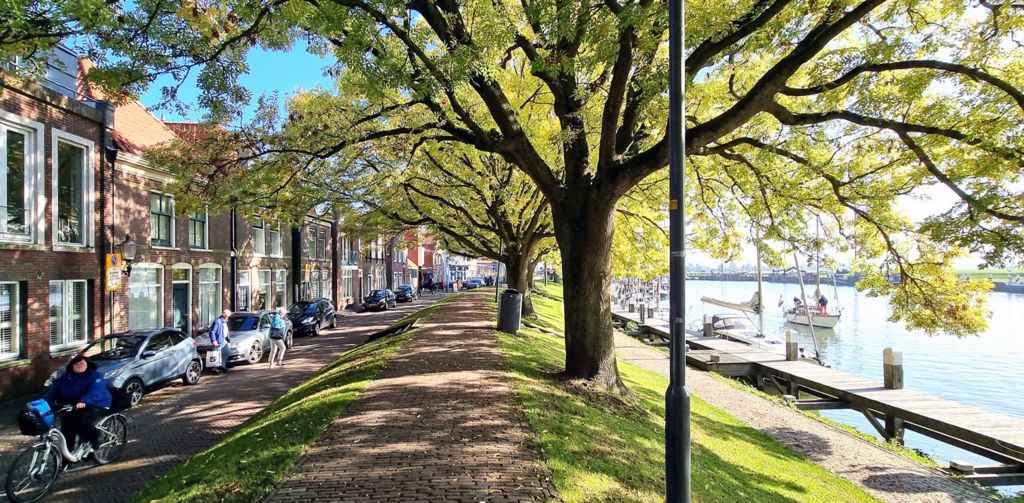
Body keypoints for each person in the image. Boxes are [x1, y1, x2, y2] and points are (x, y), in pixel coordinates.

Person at [44, 354, 112, 459]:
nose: (79, 365)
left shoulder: (95, 375)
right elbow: (53, 392)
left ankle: (95, 439)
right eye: (76, 363)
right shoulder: (64, 378)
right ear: (71, 365)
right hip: (74, 406)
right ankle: (67, 457)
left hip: (97, 403)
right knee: (66, 428)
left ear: (87, 364)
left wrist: (85, 401)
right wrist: (43, 404)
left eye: (82, 363)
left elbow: (97, 389)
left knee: (82, 422)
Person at [209, 309, 232, 374]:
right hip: (218, 341)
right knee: (216, 355)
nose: (228, 317)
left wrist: (228, 339)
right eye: (227, 316)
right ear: (224, 315)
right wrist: (214, 341)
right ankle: (214, 369)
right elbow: (212, 331)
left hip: (224, 340)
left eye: (228, 316)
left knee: (227, 352)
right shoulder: (218, 322)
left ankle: (222, 365)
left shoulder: (224, 321)